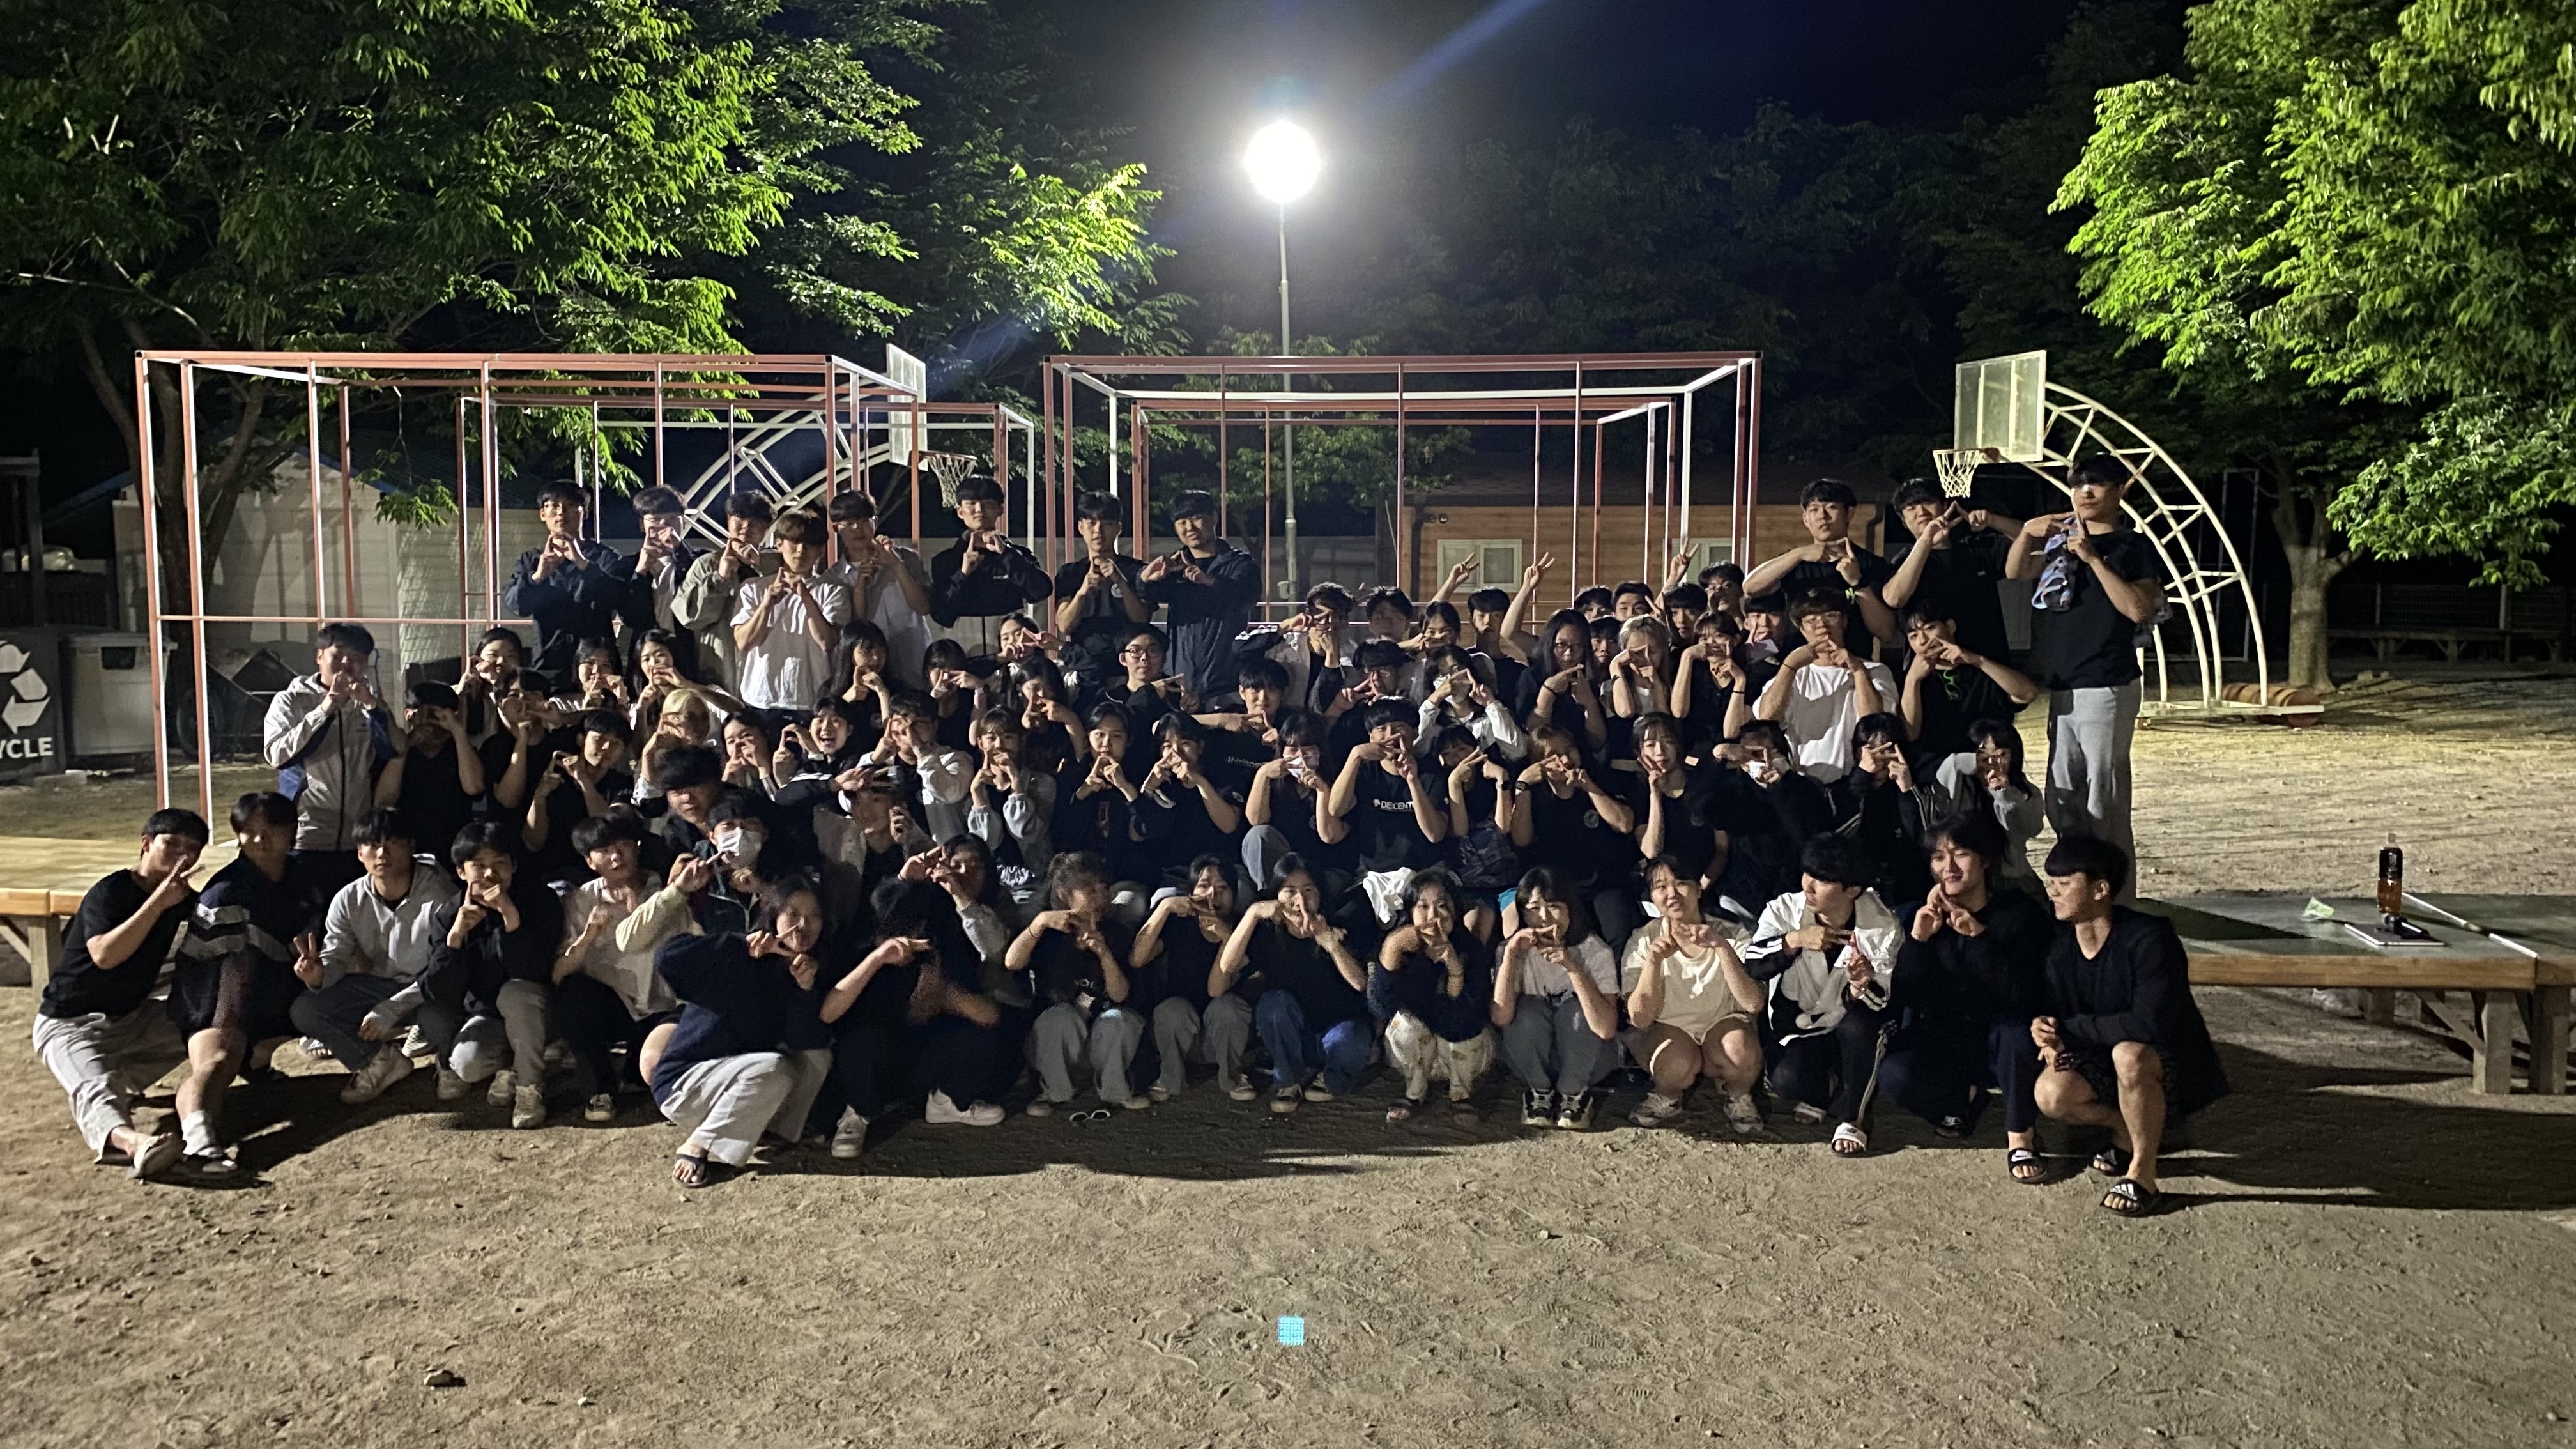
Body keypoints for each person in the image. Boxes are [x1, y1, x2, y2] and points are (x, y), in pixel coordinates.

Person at [2032, 835, 2230, 1216]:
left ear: (2100, 890)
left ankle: (2143, 1173)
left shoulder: (2149, 938)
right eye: (2051, 883)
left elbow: (2148, 1023)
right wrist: (2045, 1030)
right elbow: (2057, 1012)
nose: (2052, 893)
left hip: (2168, 1062)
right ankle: (2127, 1128)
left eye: (2064, 883)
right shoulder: (2060, 948)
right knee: (2052, 1095)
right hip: (2100, 1057)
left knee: (2129, 1055)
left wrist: (2071, 1030)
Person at [2006, 455, 2165, 870]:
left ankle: (2117, 895)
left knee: (2103, 801)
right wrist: (2026, 533)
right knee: (2063, 799)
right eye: (2078, 485)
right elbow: (2017, 571)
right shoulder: (2062, 543)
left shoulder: (2133, 546)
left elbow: (2139, 609)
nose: (2085, 493)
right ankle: (2077, 885)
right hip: (2064, 685)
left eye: (2097, 484)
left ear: (2120, 490)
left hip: (2106, 680)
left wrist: (2094, 558)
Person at [32, 808, 209, 1180]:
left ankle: (125, 1085)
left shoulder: (182, 901)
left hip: (133, 1018)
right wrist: (158, 903)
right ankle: (135, 1145)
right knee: (94, 1087)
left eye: (191, 849)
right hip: (70, 1022)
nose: (181, 855)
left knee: (207, 1026)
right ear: (146, 844)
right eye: (171, 844)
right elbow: (105, 955)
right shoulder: (111, 892)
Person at [1878, 813, 2052, 1181]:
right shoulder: (1922, 918)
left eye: (1960, 854)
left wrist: (1980, 939)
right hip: (1949, 1040)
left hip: (2004, 1042)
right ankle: (1964, 1101)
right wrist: (1919, 941)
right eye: (1939, 857)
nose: (1949, 867)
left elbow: (2023, 994)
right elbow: (1906, 994)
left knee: (2016, 1033)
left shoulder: (2019, 914)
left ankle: (2020, 1136)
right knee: (1895, 1073)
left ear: (1985, 860)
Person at [169, 793, 328, 1176]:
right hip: (214, 992)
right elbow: (222, 970)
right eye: (249, 831)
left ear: (292, 831)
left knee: (330, 1003)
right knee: (219, 1057)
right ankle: (197, 1142)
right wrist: (226, 1025)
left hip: (276, 982)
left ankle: (256, 1057)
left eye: (271, 829)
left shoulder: (303, 876)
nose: (259, 839)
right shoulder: (225, 892)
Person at [646, 877, 833, 1187]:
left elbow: (804, 1040)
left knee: (817, 1057)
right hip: (687, 1083)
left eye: (814, 916)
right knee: (774, 1068)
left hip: (742, 1077)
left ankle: (775, 1131)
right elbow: (667, 959)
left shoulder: (806, 968)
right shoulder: (738, 952)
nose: (803, 925)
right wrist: (740, 944)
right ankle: (698, 1144)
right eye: (793, 914)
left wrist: (805, 990)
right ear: (773, 915)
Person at [816, 875, 1011, 1158]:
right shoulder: (859, 952)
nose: (893, 939)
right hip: (872, 1065)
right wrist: (876, 960)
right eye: (884, 930)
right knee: (860, 1044)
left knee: (978, 1035)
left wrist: (945, 994)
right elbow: (828, 1014)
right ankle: (857, 1112)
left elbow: (990, 1016)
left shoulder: (933, 954)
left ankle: (947, 1102)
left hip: (919, 1057)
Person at [1739, 834, 1903, 1158]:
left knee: (1860, 1025)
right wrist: (1794, 940)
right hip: (1801, 1027)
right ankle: (1829, 1091)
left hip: (1851, 1026)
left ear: (1852, 890)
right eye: (1808, 873)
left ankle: (1853, 1117)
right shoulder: (1786, 909)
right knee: (1786, 1080)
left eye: (1823, 880)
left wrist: (1860, 985)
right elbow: (1754, 965)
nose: (1809, 886)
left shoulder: (1881, 925)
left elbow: (1882, 1002)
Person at [290, 809, 462, 1104]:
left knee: (439, 1018)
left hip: (431, 989)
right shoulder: (348, 899)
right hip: (379, 986)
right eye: (372, 845)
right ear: (360, 853)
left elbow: (444, 970)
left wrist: (393, 1009)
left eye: (392, 843)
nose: (382, 854)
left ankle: (449, 1064)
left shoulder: (440, 896)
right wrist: (320, 974)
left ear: (410, 846)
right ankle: (378, 1061)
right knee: (307, 1009)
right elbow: (337, 953)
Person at [418, 821, 564, 1130]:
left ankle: (529, 1085)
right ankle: (513, 1065)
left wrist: (511, 919)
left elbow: (535, 973)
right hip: (489, 1018)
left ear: (513, 865)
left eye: (499, 863)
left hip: (541, 1012)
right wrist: (456, 938)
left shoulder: (540, 901)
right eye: (478, 865)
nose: (489, 874)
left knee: (515, 993)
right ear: (461, 872)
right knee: (467, 1064)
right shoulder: (449, 915)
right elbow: (440, 993)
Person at [1211, 855, 1373, 1110]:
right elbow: (1228, 966)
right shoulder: (1268, 932)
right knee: (1273, 1003)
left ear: (1320, 893)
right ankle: (1288, 1081)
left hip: (1335, 1033)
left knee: (1353, 1038)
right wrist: (1253, 913)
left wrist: (1331, 944)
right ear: (1277, 895)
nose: (1300, 900)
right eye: (1290, 891)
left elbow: (1360, 984)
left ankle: (1331, 1079)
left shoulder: (1341, 922)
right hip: (1291, 1034)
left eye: (1308, 890)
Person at [551, 811, 683, 1123]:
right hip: (614, 1005)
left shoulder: (665, 889)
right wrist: (588, 936)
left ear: (637, 847)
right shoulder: (580, 900)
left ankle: (643, 1071)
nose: (616, 856)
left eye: (623, 845)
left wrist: (642, 915)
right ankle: (600, 1087)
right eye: (604, 850)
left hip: (661, 1006)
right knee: (571, 993)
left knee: (643, 1077)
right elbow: (558, 974)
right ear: (589, 861)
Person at [1623, 855, 1766, 1132]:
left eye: (1681, 883)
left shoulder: (1732, 934)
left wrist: (1722, 949)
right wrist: (1653, 962)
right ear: (1652, 897)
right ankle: (1667, 1095)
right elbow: (1640, 1018)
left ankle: (1739, 1095)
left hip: (1722, 1025)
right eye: (1661, 887)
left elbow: (1753, 1002)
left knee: (1740, 1051)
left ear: (1698, 888)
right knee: (1674, 1062)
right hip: (1670, 1030)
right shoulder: (1643, 940)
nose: (1672, 894)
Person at [1009, 852, 1147, 1114]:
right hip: (1055, 1043)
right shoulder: (1046, 934)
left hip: (1101, 1041)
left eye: (1103, 889)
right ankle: (1054, 1091)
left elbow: (1120, 996)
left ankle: (1115, 1090)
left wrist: (1104, 953)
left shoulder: (1116, 932)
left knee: (1120, 1019)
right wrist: (1040, 923)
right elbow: (1012, 963)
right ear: (1065, 895)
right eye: (1089, 890)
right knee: (1059, 1016)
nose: (1100, 896)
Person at [261, 622, 395, 892]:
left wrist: (373, 707)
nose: (347, 664)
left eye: (357, 658)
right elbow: (278, 755)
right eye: (338, 655)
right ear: (319, 656)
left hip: (358, 841)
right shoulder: (291, 701)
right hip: (306, 838)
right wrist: (326, 708)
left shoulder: (367, 704)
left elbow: (393, 752)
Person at [1490, 865, 1623, 1131]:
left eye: (1554, 907)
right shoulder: (1511, 951)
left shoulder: (1595, 951)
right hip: (1531, 1059)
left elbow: (1606, 1029)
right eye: (1533, 908)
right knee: (1526, 1010)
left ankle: (1574, 1094)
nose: (1544, 918)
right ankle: (1539, 1092)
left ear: (1571, 908)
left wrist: (1574, 968)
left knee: (1577, 1010)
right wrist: (1511, 957)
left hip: (1589, 1058)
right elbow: (1501, 1017)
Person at [1371, 868, 1496, 1122]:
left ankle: (1461, 1094)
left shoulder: (1470, 948)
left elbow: (1468, 1019)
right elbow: (1380, 1008)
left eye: (1442, 906)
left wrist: (1455, 970)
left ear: (1455, 911)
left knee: (1468, 1029)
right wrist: (1392, 952)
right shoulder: (1399, 945)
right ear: (1410, 911)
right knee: (1405, 1023)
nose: (1433, 917)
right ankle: (1415, 1091)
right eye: (1423, 906)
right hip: (1416, 1054)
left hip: (1462, 1051)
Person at [1132, 854, 1251, 1101]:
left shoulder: (1245, 929)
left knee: (1227, 1007)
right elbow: (1137, 959)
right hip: (1178, 1037)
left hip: (1224, 1040)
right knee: (1172, 1008)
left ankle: (1232, 1075)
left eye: (1223, 888)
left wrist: (1227, 940)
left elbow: (1215, 990)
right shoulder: (1180, 925)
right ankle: (1169, 1076)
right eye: (1204, 886)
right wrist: (1164, 908)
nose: (1212, 896)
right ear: (1191, 892)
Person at [1510, 725, 1641, 947]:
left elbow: (1625, 825)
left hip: (1606, 882)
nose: (1565, 759)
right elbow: (1521, 840)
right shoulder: (1535, 796)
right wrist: (1522, 785)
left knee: (1619, 934)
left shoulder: (1598, 779)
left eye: (1569, 749)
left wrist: (1590, 788)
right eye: (1553, 755)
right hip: (1559, 888)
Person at [1319, 700, 1448, 924]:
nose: (1390, 736)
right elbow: (1336, 809)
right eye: (1381, 729)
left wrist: (1413, 781)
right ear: (1371, 737)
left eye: (1399, 727)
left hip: (1423, 874)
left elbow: (1435, 834)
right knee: (1345, 922)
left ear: (1414, 732)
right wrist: (1355, 756)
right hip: (1372, 876)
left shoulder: (1432, 774)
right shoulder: (1364, 772)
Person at [1753, 589, 1897, 783]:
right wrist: (1790, 665)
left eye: (1831, 616)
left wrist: (1858, 671)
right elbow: (1767, 717)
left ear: (1844, 621)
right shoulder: (1793, 674)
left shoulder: (1875, 671)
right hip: (1803, 783)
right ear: (1801, 628)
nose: (1822, 625)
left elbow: (1874, 725)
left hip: (1859, 780)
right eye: (1811, 620)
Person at [1740, 478, 1896, 650]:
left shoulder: (1871, 564)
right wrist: (1799, 554)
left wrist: (1858, 582)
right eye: (1814, 509)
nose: (1823, 516)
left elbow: (1886, 633)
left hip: (1852, 660)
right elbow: (1750, 588)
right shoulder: (1794, 562)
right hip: (1799, 662)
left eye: (1831, 507)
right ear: (1806, 519)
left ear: (1849, 513)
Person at [1882, 479, 2023, 666]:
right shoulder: (1904, 561)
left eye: (1928, 502)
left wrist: (1993, 521)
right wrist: (1926, 541)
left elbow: (2032, 538)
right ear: (1904, 521)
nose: (1921, 512)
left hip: (1987, 664)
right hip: (1932, 669)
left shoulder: (1978, 550)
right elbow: (1895, 598)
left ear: (1945, 506)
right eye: (1911, 508)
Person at [503, 480, 632, 678]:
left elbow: (618, 598)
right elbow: (516, 606)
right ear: (543, 514)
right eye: (554, 506)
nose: (561, 513)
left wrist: (583, 564)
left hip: (598, 663)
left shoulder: (604, 556)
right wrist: (538, 576)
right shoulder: (532, 560)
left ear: (585, 513)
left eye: (571, 505)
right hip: (549, 664)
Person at [1706, 719, 1832, 919]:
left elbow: (1808, 839)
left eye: (1769, 752)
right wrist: (1717, 758)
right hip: (1742, 897)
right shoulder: (1735, 790)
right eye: (1753, 754)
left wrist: (1781, 788)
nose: (1763, 761)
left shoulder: (1806, 789)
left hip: (1793, 899)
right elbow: (1703, 809)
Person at [732, 507, 852, 716]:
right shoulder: (753, 588)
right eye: (794, 542)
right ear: (779, 544)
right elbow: (745, 642)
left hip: (812, 701)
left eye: (810, 544)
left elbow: (828, 642)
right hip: (761, 699)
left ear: (821, 550)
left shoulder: (833, 590)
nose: (801, 550)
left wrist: (805, 596)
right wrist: (767, 604)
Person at [822, 489, 934, 689]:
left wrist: (897, 565)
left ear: (875, 521)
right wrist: (860, 587)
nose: (858, 528)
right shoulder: (833, 578)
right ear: (836, 528)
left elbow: (923, 607)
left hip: (913, 661)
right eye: (849, 522)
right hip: (871, 672)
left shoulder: (906, 558)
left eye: (864, 520)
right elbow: (852, 631)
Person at [929, 475, 1054, 656]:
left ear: (1000, 509)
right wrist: (963, 574)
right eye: (971, 504)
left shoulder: (1019, 555)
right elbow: (942, 615)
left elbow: (1042, 590)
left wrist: (1006, 554)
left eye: (988, 504)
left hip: (1013, 648)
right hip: (963, 650)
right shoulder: (946, 560)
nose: (979, 510)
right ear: (960, 511)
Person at [1898, 604, 2037, 762]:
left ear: (1950, 626)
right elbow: (1909, 733)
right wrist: (1913, 681)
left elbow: (2028, 694)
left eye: (1929, 628)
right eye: (1914, 636)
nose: (1923, 640)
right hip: (1935, 767)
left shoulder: (1982, 673)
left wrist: (1978, 661)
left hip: (1985, 763)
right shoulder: (1906, 681)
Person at [370, 681, 486, 867]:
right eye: (428, 713)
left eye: (441, 714)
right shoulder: (396, 754)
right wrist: (406, 746)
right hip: (407, 848)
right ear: (409, 715)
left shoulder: (462, 750)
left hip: (455, 848)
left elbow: (475, 788)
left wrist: (457, 731)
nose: (436, 724)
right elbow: (384, 803)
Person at [675, 491, 777, 695]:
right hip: (721, 673)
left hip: (768, 672)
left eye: (755, 522)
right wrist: (719, 578)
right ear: (729, 521)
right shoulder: (706, 565)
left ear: (767, 528)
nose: (746, 527)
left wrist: (760, 563)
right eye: (739, 519)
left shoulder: (778, 566)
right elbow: (690, 617)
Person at [1052, 490, 1154, 693]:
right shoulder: (1069, 573)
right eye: (1091, 523)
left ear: (1118, 528)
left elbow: (1143, 620)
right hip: (1085, 667)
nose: (1098, 531)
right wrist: (1083, 592)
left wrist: (1121, 582)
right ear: (1081, 527)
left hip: (1129, 670)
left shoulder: (1137, 571)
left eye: (1107, 524)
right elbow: (1064, 626)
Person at [1828, 713, 1935, 905]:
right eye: (1872, 750)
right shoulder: (1840, 791)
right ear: (1858, 751)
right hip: (1856, 894)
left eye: (1888, 749)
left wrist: (1907, 791)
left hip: (1909, 892)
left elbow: (1926, 841)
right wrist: (1861, 778)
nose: (1880, 758)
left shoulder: (1919, 789)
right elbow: (1837, 837)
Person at [1928, 719, 2045, 892]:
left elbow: (2031, 829)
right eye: (1983, 756)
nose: (1992, 763)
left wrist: (2005, 795)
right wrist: (1977, 760)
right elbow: (1952, 765)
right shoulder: (1957, 785)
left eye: (2001, 755)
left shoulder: (2025, 791)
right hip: (1967, 881)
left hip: (2013, 877)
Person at [619, 486, 706, 678]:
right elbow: (630, 617)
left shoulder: (701, 561)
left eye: (672, 519)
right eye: (655, 520)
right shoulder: (628, 565)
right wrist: (641, 571)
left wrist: (679, 550)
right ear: (642, 524)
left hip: (692, 653)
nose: (664, 525)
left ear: (684, 521)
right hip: (647, 657)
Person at [966, 708, 1055, 893]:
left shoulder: (1042, 783)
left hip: (1034, 879)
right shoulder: (974, 788)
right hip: (992, 882)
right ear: (981, 743)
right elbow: (986, 844)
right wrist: (978, 795)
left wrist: (1017, 785)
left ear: (1020, 742)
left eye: (1008, 737)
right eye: (991, 738)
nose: (999, 745)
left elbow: (1027, 833)